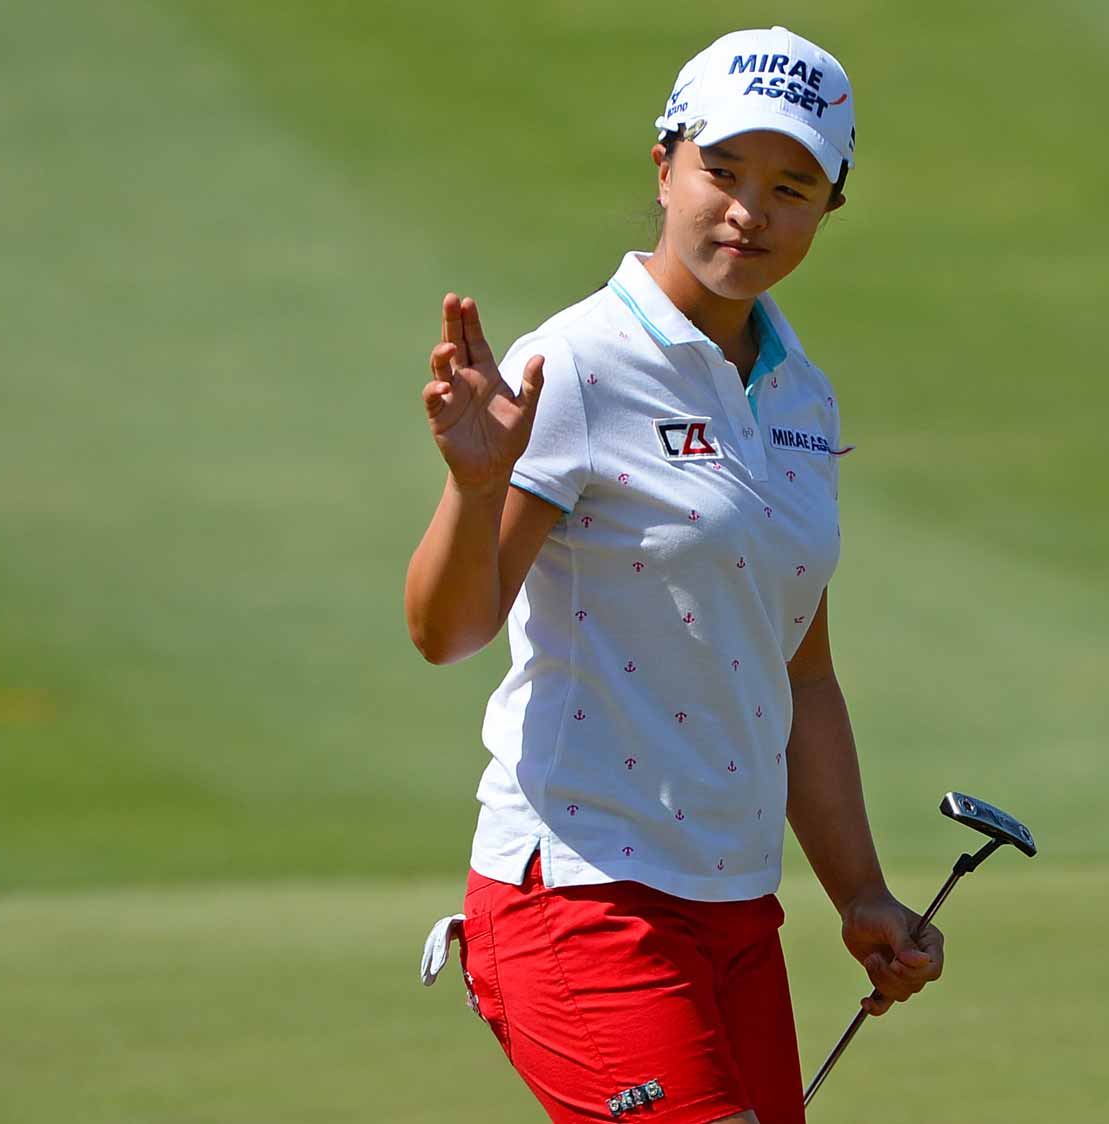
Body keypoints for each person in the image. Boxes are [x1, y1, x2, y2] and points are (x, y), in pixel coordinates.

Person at [403, 26, 942, 1124]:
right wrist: (472, 483)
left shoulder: (801, 397)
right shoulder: (583, 363)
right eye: (722, 170)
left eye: (791, 185)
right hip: (579, 890)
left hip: (733, 902)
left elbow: (800, 674)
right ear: (663, 167)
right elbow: (446, 631)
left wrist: (860, 891)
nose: (750, 209)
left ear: (828, 207)